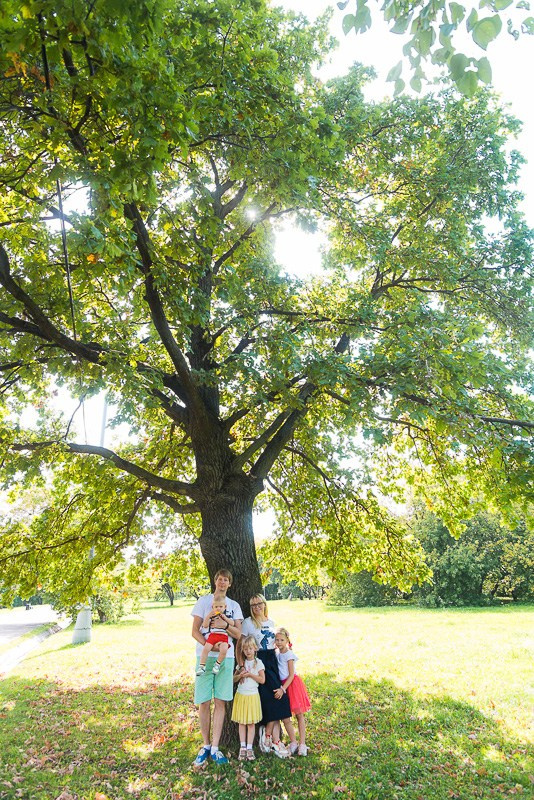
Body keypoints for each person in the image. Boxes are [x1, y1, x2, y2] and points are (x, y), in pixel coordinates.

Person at [191, 569, 243, 767]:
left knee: (220, 702)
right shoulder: (204, 602)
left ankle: (215, 746)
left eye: (226, 580)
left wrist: (225, 625)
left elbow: (238, 634)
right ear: (215, 581)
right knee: (204, 701)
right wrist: (208, 644)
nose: (223, 582)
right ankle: (205, 746)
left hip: (226, 657)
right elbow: (194, 630)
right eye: (220, 579)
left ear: (230, 584)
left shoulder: (234, 606)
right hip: (204, 656)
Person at [240, 594, 293, 758]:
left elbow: (277, 643)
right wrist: (242, 665)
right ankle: (268, 736)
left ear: (264, 604)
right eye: (253, 604)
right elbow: (241, 645)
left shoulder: (271, 623)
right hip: (259, 662)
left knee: (279, 695)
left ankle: (272, 737)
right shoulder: (248, 623)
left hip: (273, 662)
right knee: (268, 699)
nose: (257, 607)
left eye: (259, 603)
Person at [274, 626, 311, 756]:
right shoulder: (277, 654)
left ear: (287, 640)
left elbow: (290, 675)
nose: (279, 642)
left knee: (299, 714)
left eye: (281, 640)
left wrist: (283, 689)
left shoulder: (289, 654)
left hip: (292, 685)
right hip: (283, 685)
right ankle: (293, 742)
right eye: (277, 640)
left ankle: (302, 743)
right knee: (285, 716)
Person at [231, 634, 265, 761]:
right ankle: (243, 747)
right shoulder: (241, 664)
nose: (248, 651)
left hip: (252, 695)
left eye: (250, 648)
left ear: (255, 648)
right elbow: (233, 679)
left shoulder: (258, 663)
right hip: (242, 695)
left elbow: (262, 680)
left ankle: (250, 747)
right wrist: (240, 675)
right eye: (245, 649)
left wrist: (250, 675)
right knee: (242, 722)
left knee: (251, 723)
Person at [196, 594, 229, 675]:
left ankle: (217, 664)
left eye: (221, 607)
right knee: (206, 649)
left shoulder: (226, 616)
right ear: (212, 607)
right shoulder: (212, 616)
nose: (218, 608)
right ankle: (202, 666)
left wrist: (226, 620)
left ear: (225, 607)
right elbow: (205, 625)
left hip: (223, 636)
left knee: (224, 649)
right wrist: (208, 617)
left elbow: (232, 623)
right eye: (216, 607)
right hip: (213, 635)